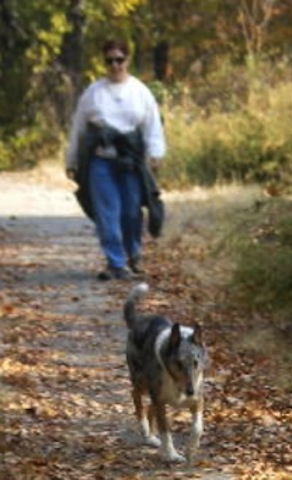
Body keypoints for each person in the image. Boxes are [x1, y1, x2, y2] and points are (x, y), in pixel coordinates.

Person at [66, 39, 166, 280]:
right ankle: (115, 262)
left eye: (119, 60)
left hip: (131, 161)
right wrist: (72, 160)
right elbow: (79, 127)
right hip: (101, 161)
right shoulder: (94, 93)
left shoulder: (140, 91)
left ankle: (134, 253)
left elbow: (152, 124)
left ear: (127, 60)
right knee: (107, 212)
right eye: (109, 61)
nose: (114, 65)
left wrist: (156, 153)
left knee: (131, 211)